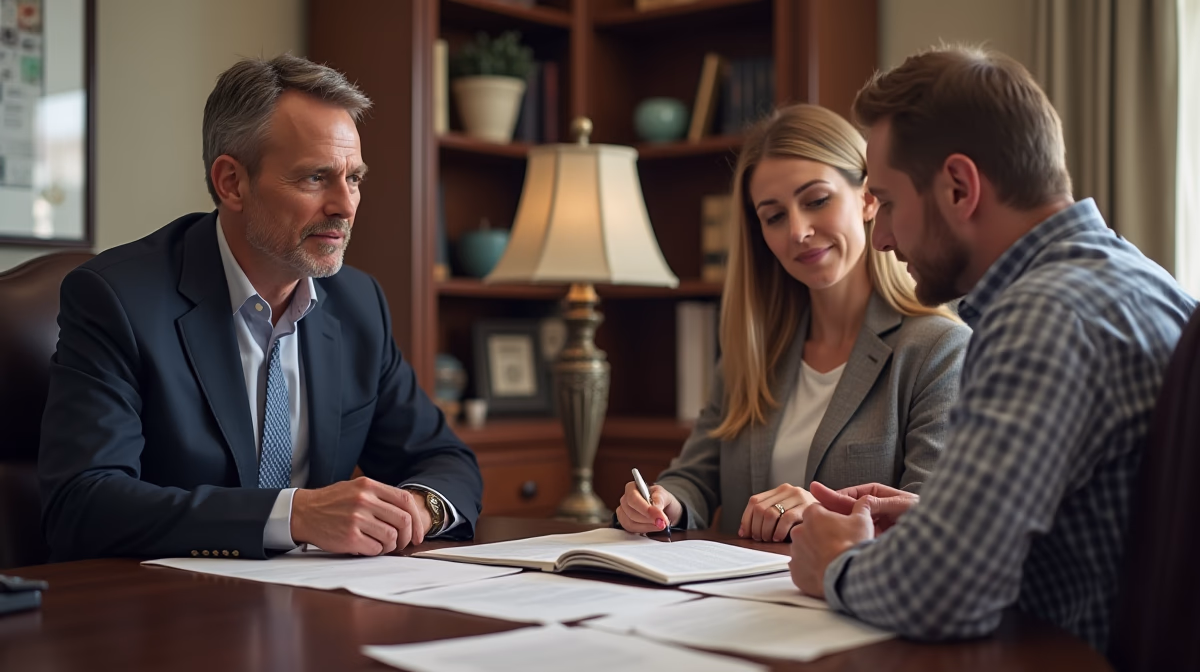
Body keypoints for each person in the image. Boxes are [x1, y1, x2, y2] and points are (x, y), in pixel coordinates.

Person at [788, 46, 1197, 654]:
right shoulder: (1141, 282)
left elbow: (945, 591)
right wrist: (942, 517)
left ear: (958, 187)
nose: (882, 237)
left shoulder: (1044, 317)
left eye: (891, 203)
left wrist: (837, 564)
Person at [38, 55, 483, 562]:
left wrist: (417, 509)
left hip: (318, 605)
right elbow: (82, 504)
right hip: (170, 613)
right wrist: (291, 515)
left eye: (354, 178)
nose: (346, 205)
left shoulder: (359, 304)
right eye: (316, 178)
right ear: (232, 183)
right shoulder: (117, 300)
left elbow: (447, 460)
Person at [615, 104, 970, 543]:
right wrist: (664, 502)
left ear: (867, 197)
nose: (798, 231)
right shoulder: (753, 352)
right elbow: (695, 478)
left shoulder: (940, 350)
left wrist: (824, 514)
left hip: (850, 601)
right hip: (736, 604)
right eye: (774, 216)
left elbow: (935, 523)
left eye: (817, 200)